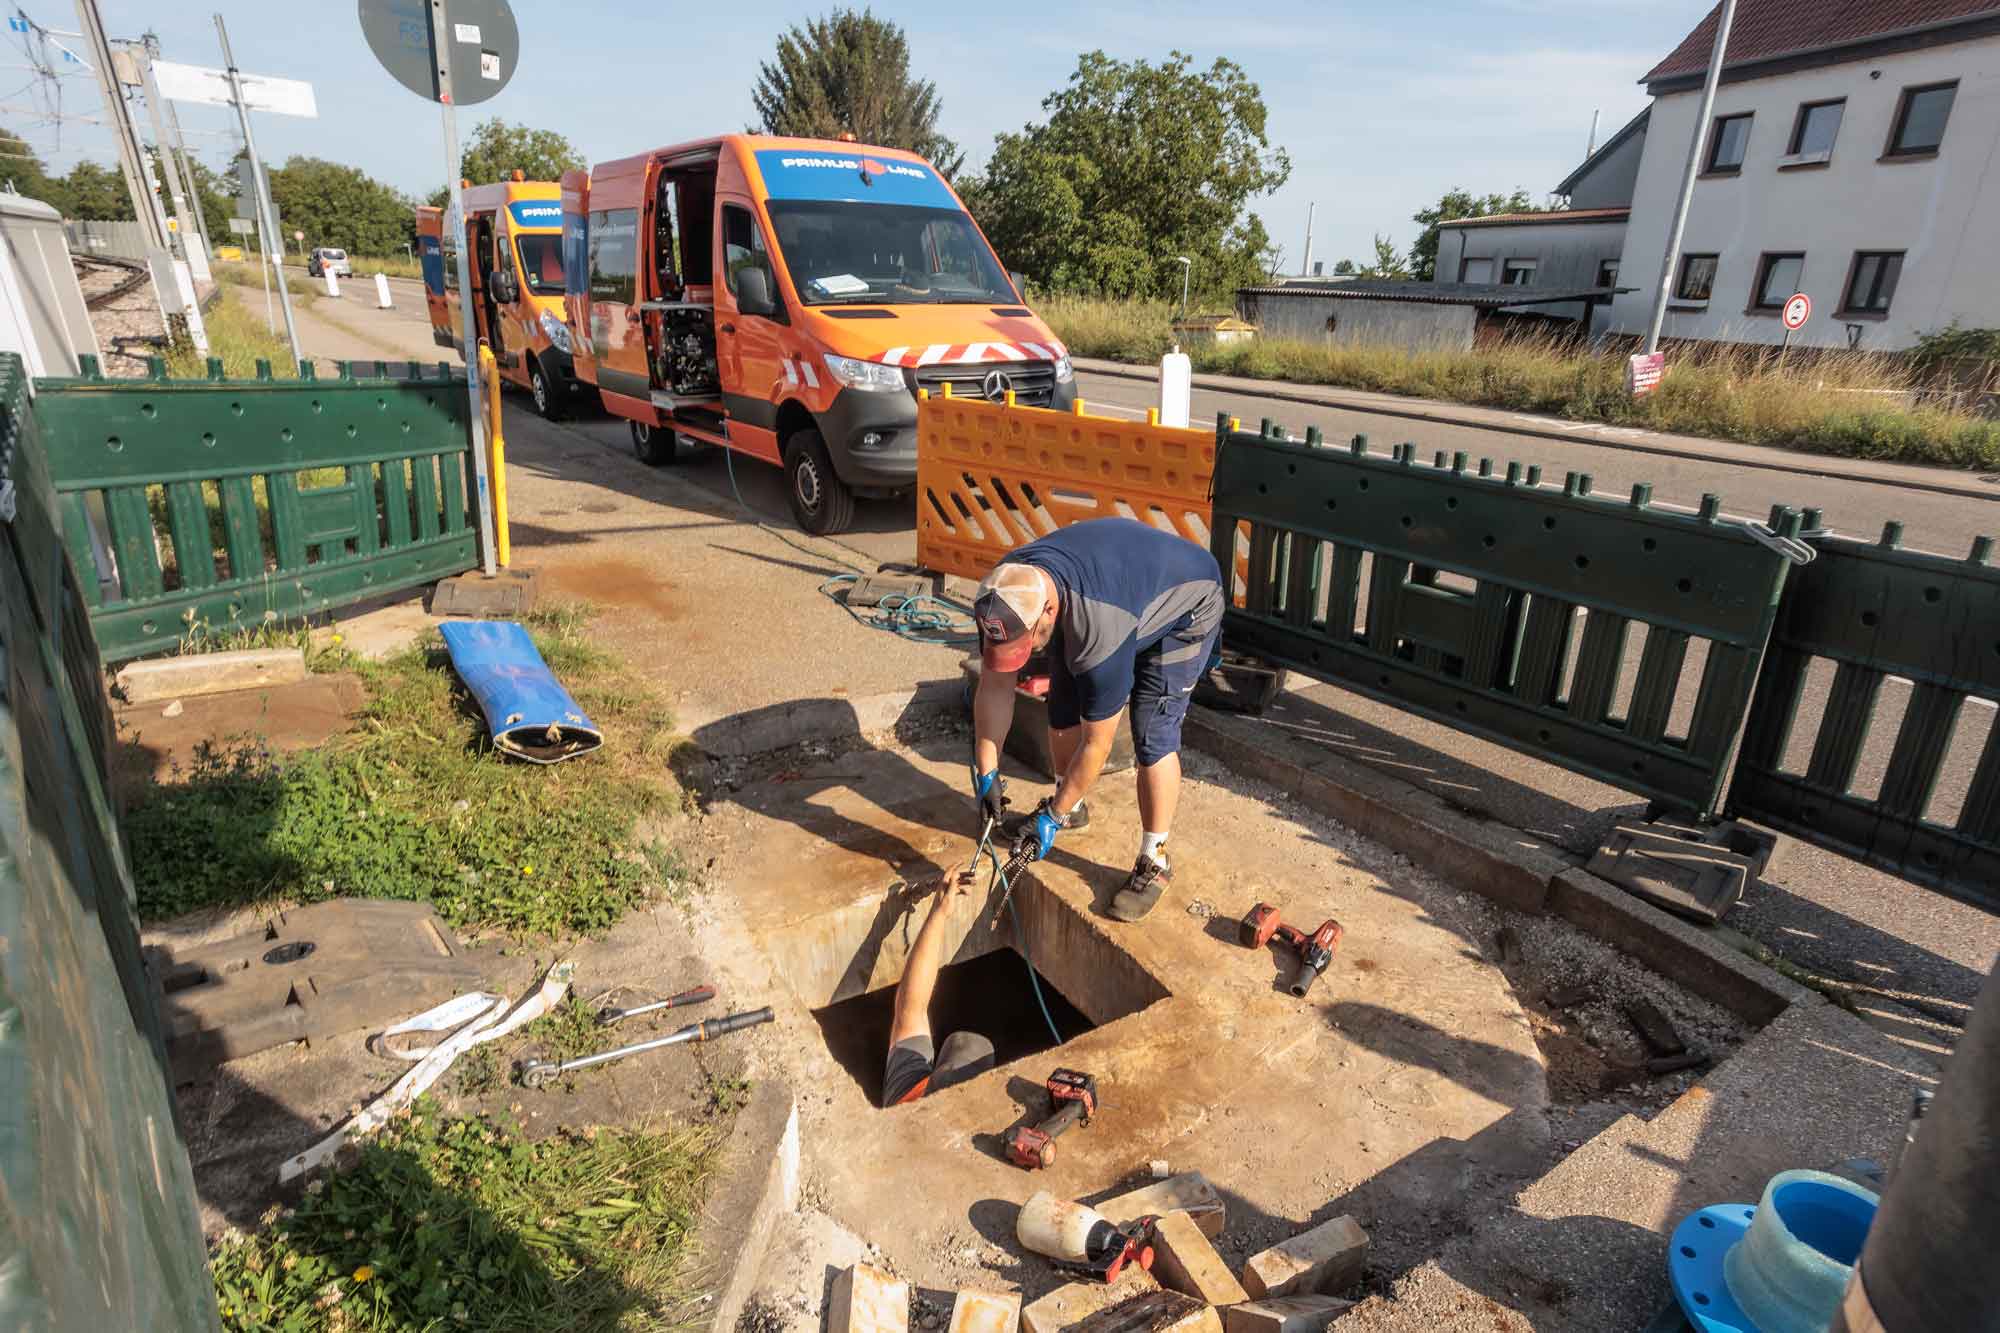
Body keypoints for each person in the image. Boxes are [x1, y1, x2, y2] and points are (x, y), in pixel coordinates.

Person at [968, 517, 1225, 922]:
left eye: (1026, 643)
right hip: (1121, 589)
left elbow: (1097, 745)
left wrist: (1049, 818)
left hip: (1188, 605)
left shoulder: (1099, 627)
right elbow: (995, 687)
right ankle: (1072, 806)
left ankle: (1155, 860)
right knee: (1062, 707)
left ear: (1048, 611)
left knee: (1152, 731)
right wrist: (986, 771)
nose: (1021, 655)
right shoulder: (1008, 591)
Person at [880, 876, 994, 1106]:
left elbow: (910, 1009)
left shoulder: (905, 1096)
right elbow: (911, 1011)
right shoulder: (902, 1097)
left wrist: (939, 914)